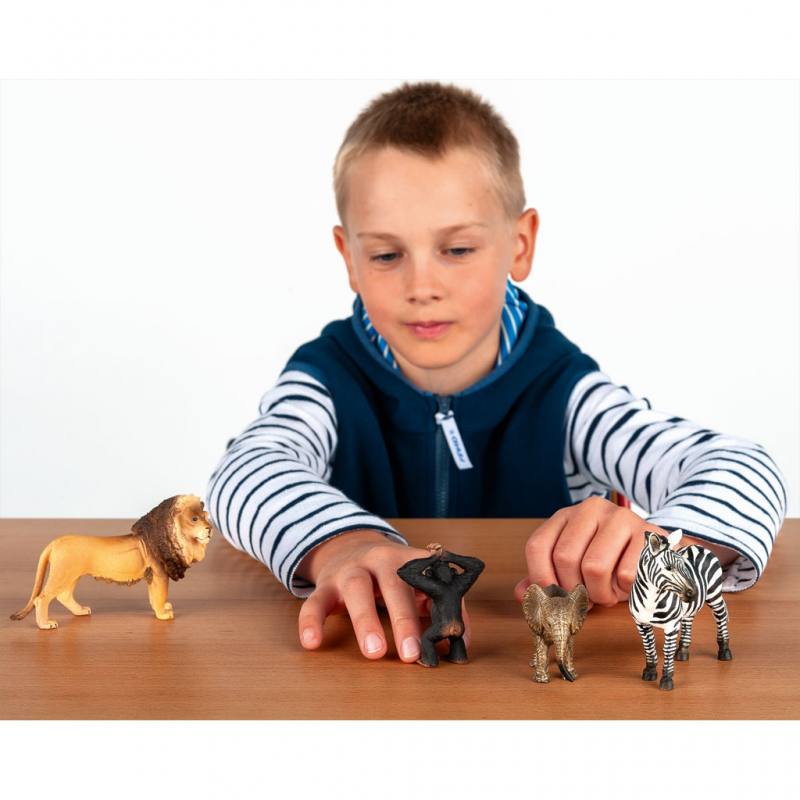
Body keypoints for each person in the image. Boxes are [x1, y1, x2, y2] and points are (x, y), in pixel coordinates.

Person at [205, 81, 788, 665]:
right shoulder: (325, 377)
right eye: (386, 255)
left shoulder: (564, 390)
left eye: (457, 250)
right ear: (349, 259)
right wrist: (341, 544)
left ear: (520, 244)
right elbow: (242, 471)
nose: (422, 287)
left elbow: (745, 469)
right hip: (367, 677)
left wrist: (658, 549)